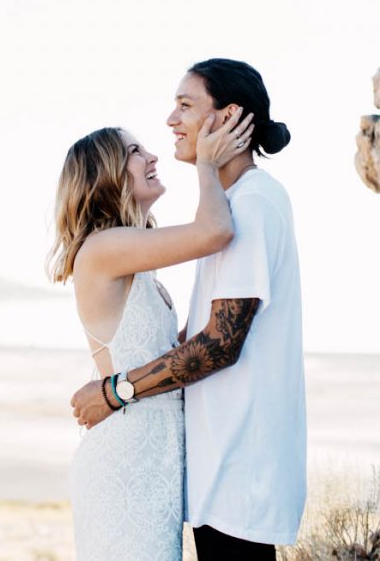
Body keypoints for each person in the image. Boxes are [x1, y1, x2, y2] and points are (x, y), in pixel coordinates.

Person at [71, 59, 307, 561]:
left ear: (227, 118)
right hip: (205, 466)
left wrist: (116, 390)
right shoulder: (227, 205)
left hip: (237, 466)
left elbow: (219, 344)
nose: (171, 121)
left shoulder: (250, 205)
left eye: (185, 105)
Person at [48, 108, 254, 560]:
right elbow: (216, 230)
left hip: (153, 464)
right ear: (106, 174)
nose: (152, 156)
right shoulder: (104, 248)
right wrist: (205, 161)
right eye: (134, 151)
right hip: (123, 463)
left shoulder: (133, 257)